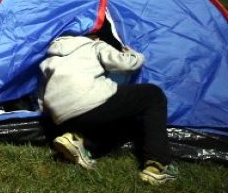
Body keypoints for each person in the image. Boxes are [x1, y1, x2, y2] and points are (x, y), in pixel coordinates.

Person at [38, 33, 178, 185]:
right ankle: (159, 165)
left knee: (117, 121)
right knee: (153, 95)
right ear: (94, 36)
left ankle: (79, 142)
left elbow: (41, 95)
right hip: (90, 101)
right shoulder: (94, 45)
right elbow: (124, 64)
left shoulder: (49, 58)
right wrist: (134, 55)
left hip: (61, 117)